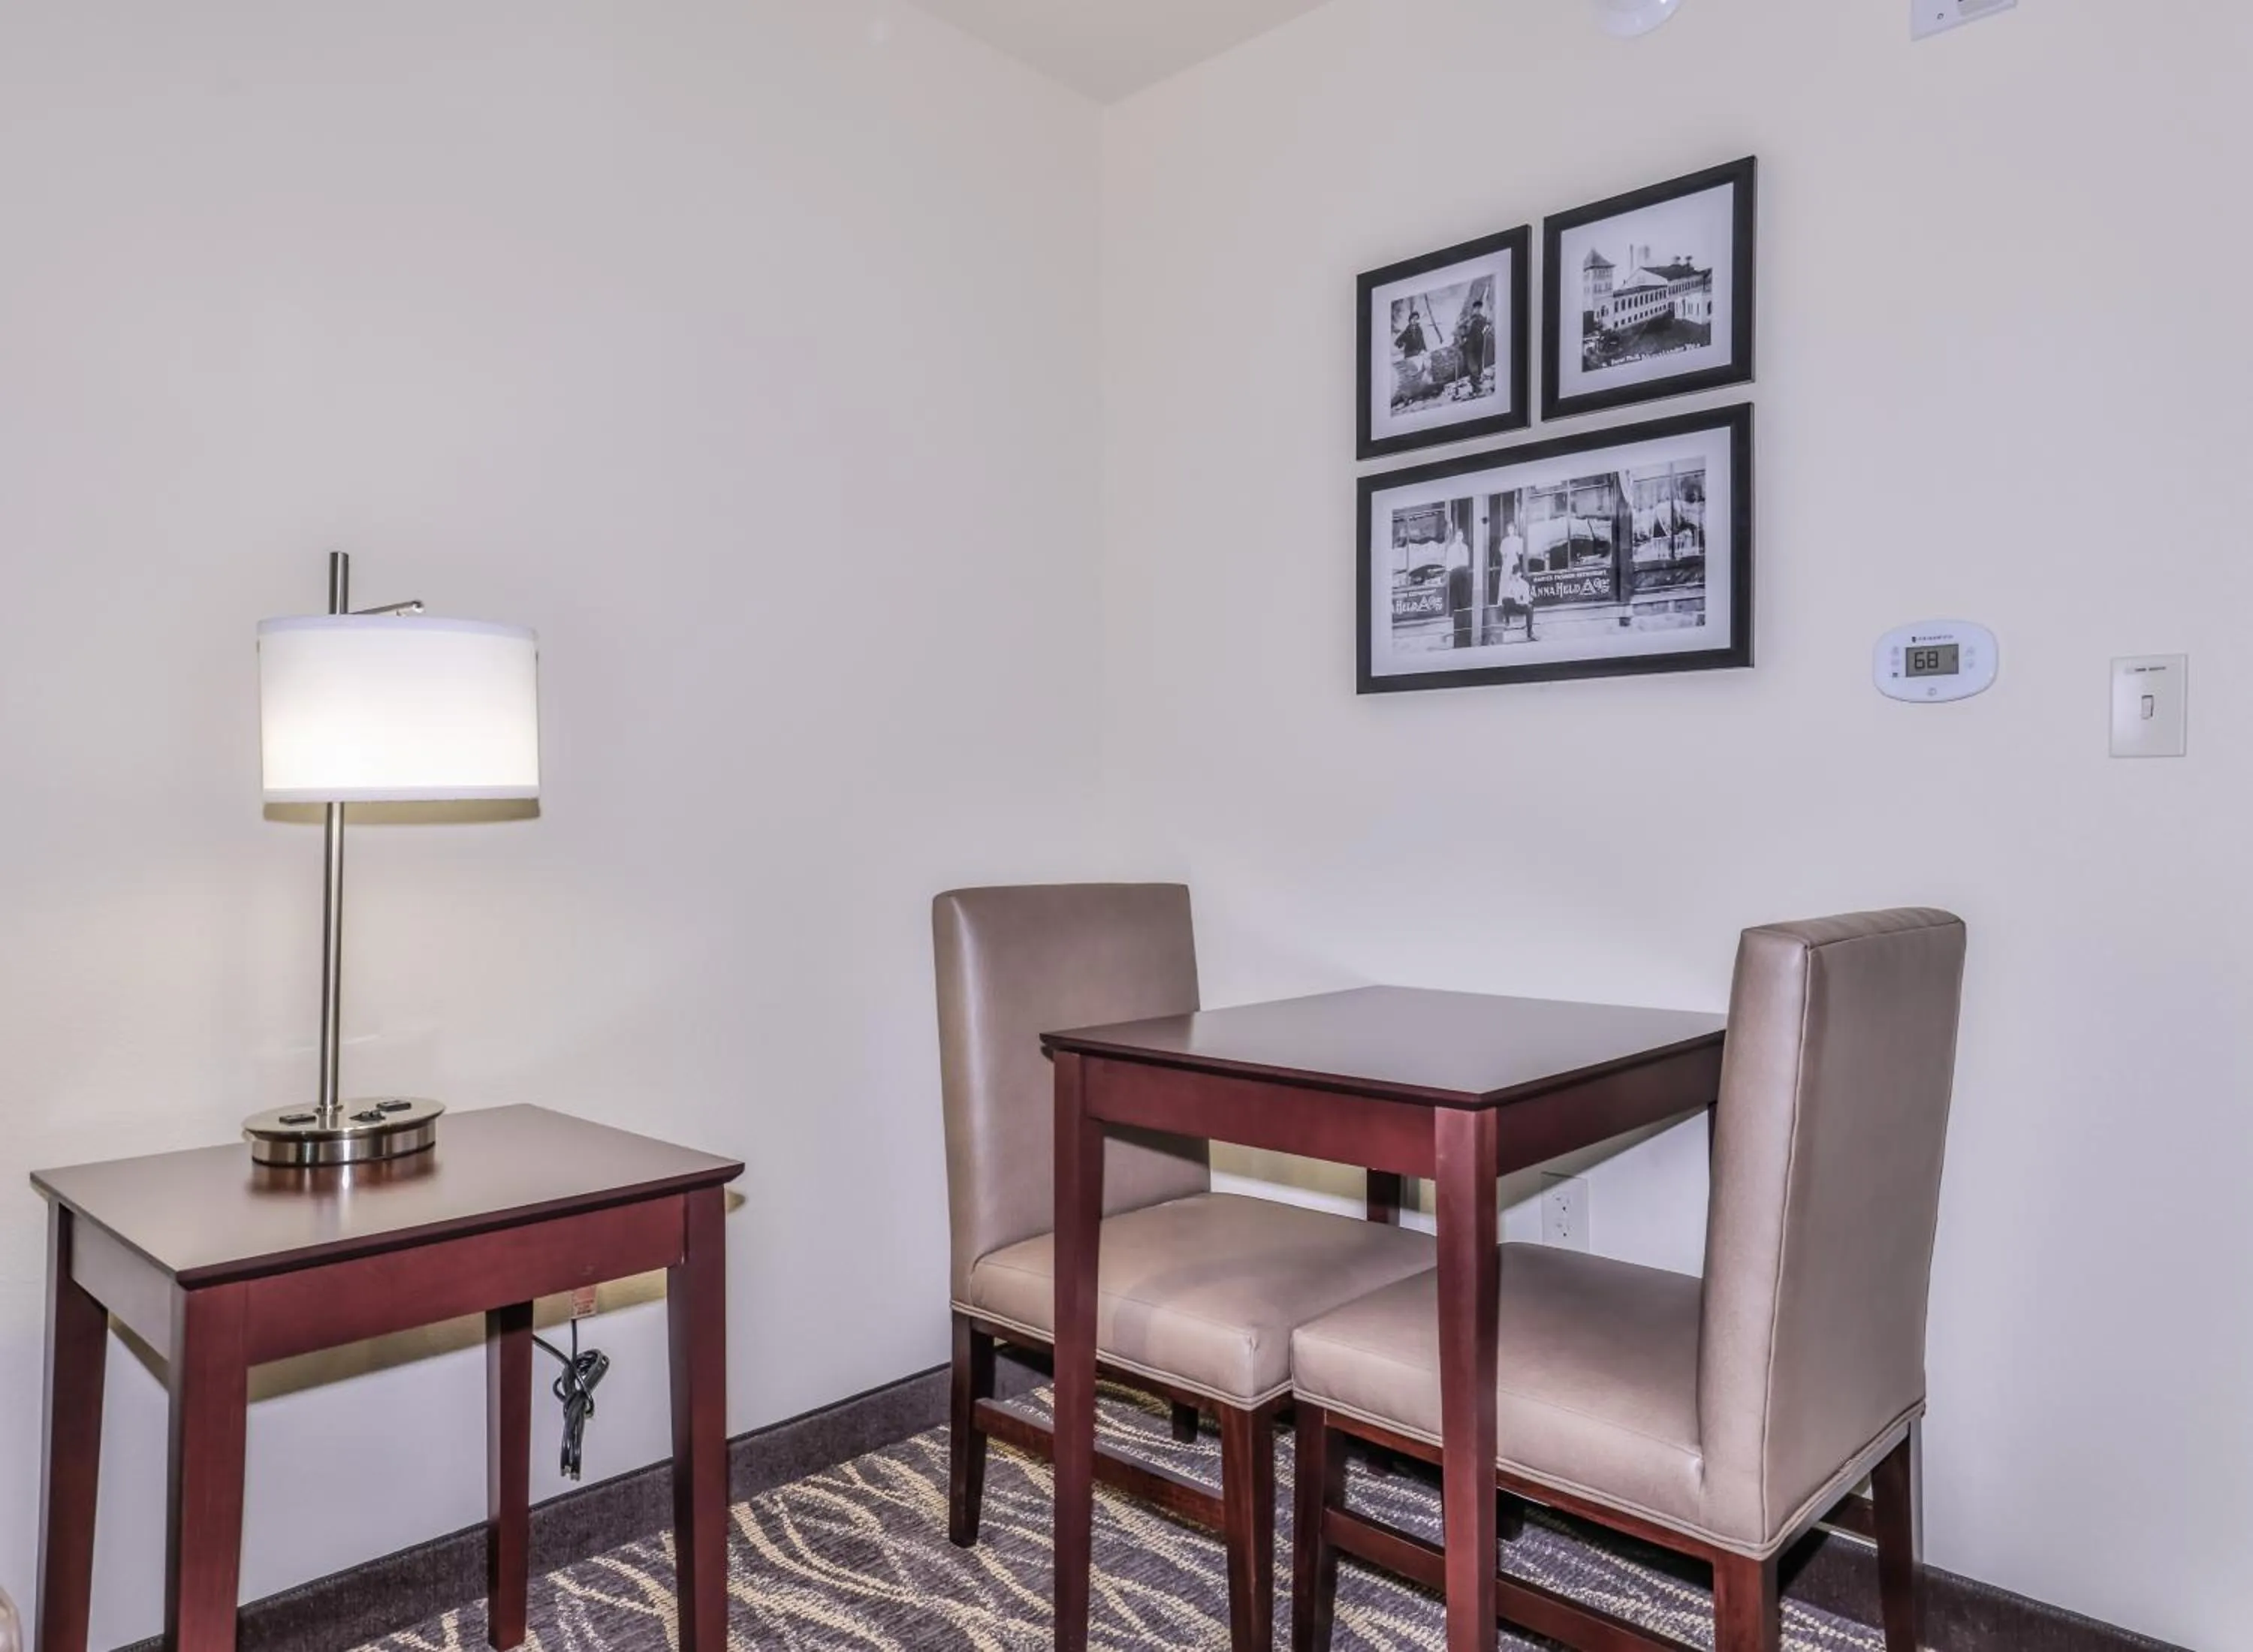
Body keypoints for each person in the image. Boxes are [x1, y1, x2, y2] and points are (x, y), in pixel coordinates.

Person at [1497, 518, 1534, 642]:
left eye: (1512, 529)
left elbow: (1520, 553)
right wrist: (1505, 566)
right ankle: (1506, 615)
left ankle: (1517, 606)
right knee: (1507, 588)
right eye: (1509, 529)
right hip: (1507, 564)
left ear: (1515, 530)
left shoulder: (1518, 540)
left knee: (1516, 585)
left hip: (1514, 562)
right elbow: (1503, 555)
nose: (1510, 531)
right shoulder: (1505, 541)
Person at [1455, 294, 1494, 396]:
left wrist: (1486, 329)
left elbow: (1487, 328)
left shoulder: (1482, 319)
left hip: (1479, 345)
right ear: (1473, 309)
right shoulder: (1469, 319)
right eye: (1476, 308)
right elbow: (1460, 329)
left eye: (1479, 308)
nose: (1478, 310)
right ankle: (1476, 387)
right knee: (1472, 367)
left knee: (1479, 364)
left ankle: (1478, 386)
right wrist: (1462, 338)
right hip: (1469, 346)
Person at [1444, 526, 1474, 650]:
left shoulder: (1466, 548)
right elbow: (1448, 566)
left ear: (1463, 537)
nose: (1459, 538)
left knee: (1465, 601)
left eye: (1461, 536)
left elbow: (1466, 562)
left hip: (1463, 573)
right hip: (1455, 574)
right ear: (1455, 537)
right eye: (1457, 536)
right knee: (1456, 601)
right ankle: (1457, 629)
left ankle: (1465, 629)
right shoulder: (1451, 549)